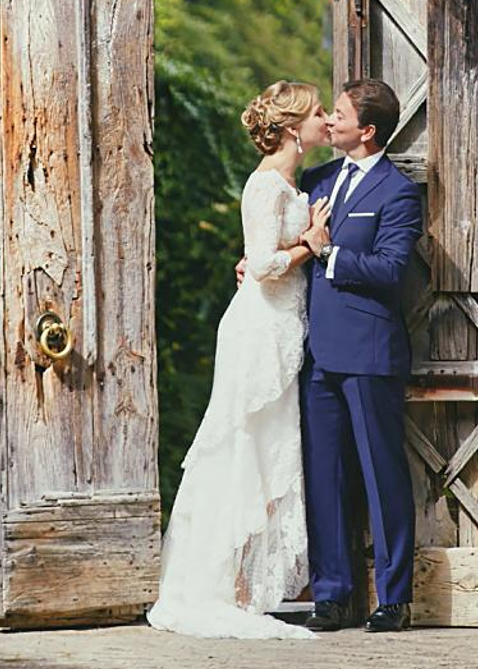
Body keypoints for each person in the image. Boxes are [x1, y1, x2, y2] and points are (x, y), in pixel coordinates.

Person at [146, 80, 331, 640]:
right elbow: (264, 262)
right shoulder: (267, 185)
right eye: (318, 112)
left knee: (268, 445)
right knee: (245, 443)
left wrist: (287, 247)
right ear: (295, 129)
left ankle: (246, 586)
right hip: (259, 330)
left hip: (280, 325)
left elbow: (257, 258)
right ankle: (225, 587)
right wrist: (311, 245)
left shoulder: (289, 184)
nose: (326, 119)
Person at [297, 79, 421, 634]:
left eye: (340, 113)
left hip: (370, 354)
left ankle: (393, 599)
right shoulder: (315, 181)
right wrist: (258, 266)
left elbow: (394, 272)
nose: (330, 120)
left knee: (381, 476)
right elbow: (291, 251)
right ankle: (331, 595)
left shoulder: (398, 192)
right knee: (323, 476)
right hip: (316, 352)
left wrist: (332, 253)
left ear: (366, 131)